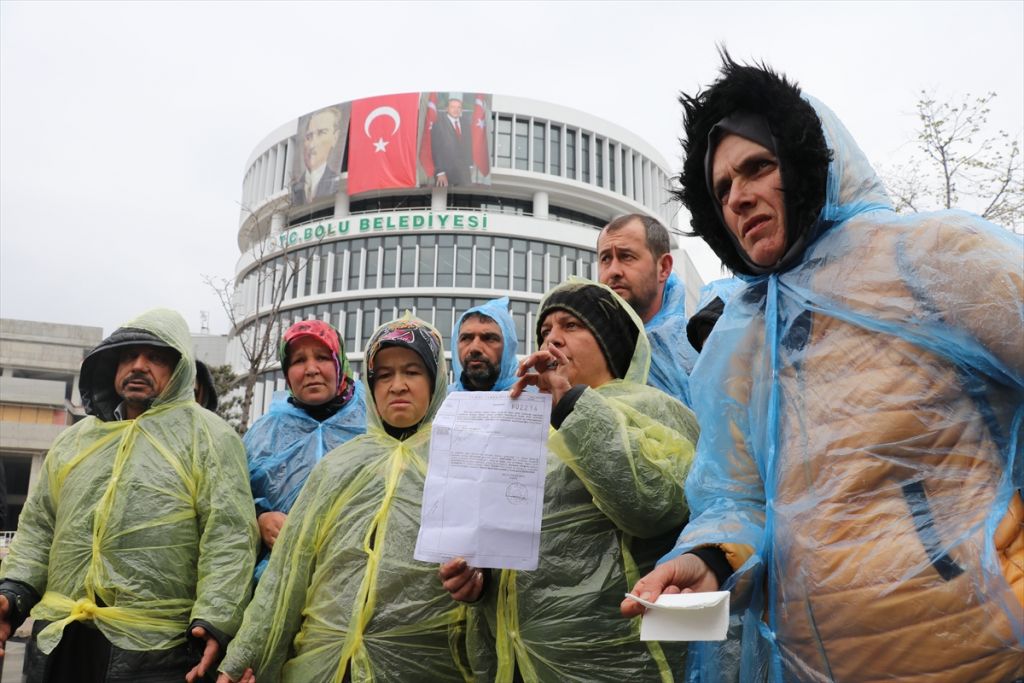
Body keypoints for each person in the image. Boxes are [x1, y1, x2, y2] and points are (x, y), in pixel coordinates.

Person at [622, 55, 1024, 682]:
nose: (739, 197)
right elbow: (736, 496)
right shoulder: (743, 336)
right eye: (722, 189)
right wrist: (711, 559)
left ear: (809, 163)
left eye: (758, 167)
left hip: (980, 657)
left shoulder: (929, 258)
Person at [440, 280, 700, 682]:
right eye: (545, 330)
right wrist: (480, 581)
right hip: (520, 666)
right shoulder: (523, 427)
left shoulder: (657, 409)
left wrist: (573, 406)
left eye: (571, 325)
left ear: (611, 342)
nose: (553, 339)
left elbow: (653, 505)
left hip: (614, 666)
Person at [0, 308, 258, 683]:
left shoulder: (210, 438)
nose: (139, 365)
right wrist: (13, 592)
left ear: (179, 369)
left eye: (155, 357)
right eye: (129, 355)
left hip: (156, 651)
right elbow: (39, 528)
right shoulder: (74, 441)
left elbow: (228, 536)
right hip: (62, 640)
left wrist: (216, 620)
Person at [217, 316, 472, 683]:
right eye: (384, 375)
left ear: (436, 380)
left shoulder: (462, 463)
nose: (397, 385)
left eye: (412, 371)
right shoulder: (336, 467)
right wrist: (241, 658)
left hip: (426, 665)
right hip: (327, 663)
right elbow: (286, 575)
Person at [246, 319, 366, 581]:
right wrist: (260, 519)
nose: (311, 369)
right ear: (287, 372)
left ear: (339, 362)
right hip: (281, 581)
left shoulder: (374, 421)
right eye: (299, 360)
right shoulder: (263, 436)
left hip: (358, 579)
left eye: (322, 357)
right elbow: (234, 501)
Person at [597, 213, 698, 406]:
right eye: (606, 259)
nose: (613, 271)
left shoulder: (696, 351)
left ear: (663, 268)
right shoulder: (586, 347)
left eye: (626, 257)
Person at [450, 296, 519, 392]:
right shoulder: (441, 399)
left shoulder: (535, 397)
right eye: (466, 338)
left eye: (489, 338)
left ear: (509, 348)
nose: (475, 348)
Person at [291, 106, 343, 204]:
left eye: (321, 133)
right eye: (309, 136)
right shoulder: (296, 187)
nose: (312, 144)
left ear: (335, 137)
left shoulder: (334, 180)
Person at [431, 93, 473, 187]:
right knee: (444, 196)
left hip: (464, 173)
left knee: (464, 196)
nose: (456, 110)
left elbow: (468, 145)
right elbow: (436, 150)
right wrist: (440, 172)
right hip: (446, 173)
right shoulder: (438, 124)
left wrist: (470, 165)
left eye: (459, 107)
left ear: (461, 110)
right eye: (453, 107)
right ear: (447, 108)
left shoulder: (466, 124)